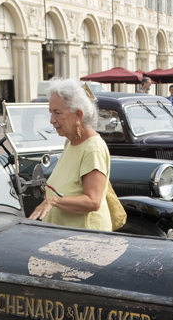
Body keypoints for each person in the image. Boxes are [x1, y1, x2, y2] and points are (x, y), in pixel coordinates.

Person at [27, 78, 112, 230]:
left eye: (57, 113)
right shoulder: (70, 142)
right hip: (66, 236)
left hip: (86, 239)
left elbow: (93, 201)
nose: (52, 120)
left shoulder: (92, 148)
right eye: (50, 112)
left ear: (78, 115)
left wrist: (53, 201)